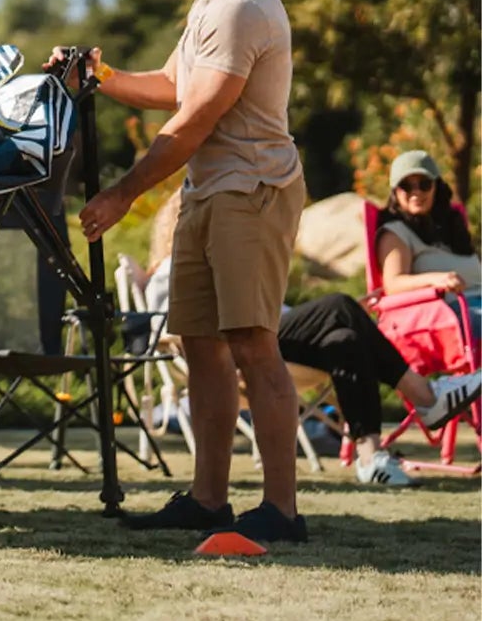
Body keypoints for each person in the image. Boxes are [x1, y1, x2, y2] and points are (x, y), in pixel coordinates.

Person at [54, 0, 310, 543]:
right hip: (207, 191)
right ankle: (208, 499)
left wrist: (122, 192)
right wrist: (101, 78)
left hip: (250, 191)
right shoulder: (210, 5)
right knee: (200, 346)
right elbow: (172, 86)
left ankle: (282, 511)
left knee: (254, 345)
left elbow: (193, 123)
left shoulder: (243, 8)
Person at [137, 193, 482, 487]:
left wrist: (327, 318)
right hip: (234, 349)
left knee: (344, 337)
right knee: (339, 306)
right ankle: (424, 395)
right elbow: (174, 330)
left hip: (263, 335)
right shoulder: (171, 270)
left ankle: (371, 458)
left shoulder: (224, 263)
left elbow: (277, 311)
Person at [374, 150, 480, 342]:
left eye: (424, 184)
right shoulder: (395, 232)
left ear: (436, 187)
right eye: (406, 186)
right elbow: (393, 284)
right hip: (450, 314)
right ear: (395, 191)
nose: (416, 193)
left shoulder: (449, 229)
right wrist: (437, 279)